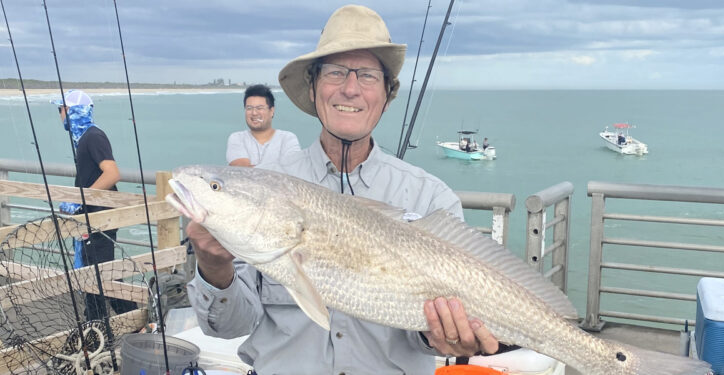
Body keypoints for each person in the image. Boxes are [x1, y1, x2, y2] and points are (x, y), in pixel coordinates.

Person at [186, 5, 499, 374]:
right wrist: (212, 266)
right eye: (335, 72)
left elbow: (431, 335)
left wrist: (445, 335)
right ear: (314, 86)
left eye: (367, 75)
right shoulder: (263, 190)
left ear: (386, 93)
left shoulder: (431, 198)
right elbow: (228, 327)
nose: (350, 89)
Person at [52, 89, 137, 321]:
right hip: (91, 217)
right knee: (96, 276)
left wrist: (79, 198)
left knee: (102, 277)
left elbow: (112, 174)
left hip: (101, 218)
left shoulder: (93, 136)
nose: (59, 115)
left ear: (72, 111)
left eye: (61, 109)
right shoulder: (84, 139)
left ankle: (137, 322)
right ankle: (99, 326)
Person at [226, 84, 300, 167]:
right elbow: (243, 170)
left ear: (271, 111)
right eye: (249, 108)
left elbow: (292, 169)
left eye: (259, 108)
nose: (254, 113)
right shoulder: (237, 138)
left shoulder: (287, 138)